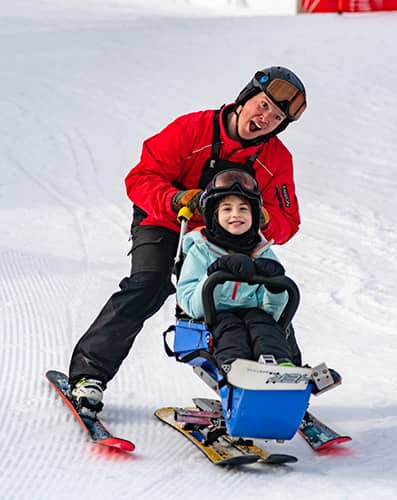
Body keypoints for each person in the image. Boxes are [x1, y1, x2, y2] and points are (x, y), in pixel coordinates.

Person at [68, 66, 307, 417]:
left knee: (263, 293)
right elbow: (141, 177)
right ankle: (89, 376)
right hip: (168, 220)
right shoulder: (191, 129)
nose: (266, 117)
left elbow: (288, 220)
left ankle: (285, 381)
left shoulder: (276, 159)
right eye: (263, 104)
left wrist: (261, 219)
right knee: (148, 285)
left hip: (229, 234)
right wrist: (177, 199)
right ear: (245, 99)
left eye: (276, 116)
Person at [176, 169, 294, 369]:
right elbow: (191, 306)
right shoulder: (201, 251)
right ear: (214, 215)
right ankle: (235, 365)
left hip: (253, 314)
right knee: (229, 326)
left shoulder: (262, 252)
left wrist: (275, 288)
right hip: (213, 317)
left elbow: (273, 312)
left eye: (243, 209)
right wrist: (216, 272)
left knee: (263, 324)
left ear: (254, 214)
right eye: (227, 209)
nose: (235, 215)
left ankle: (279, 365)